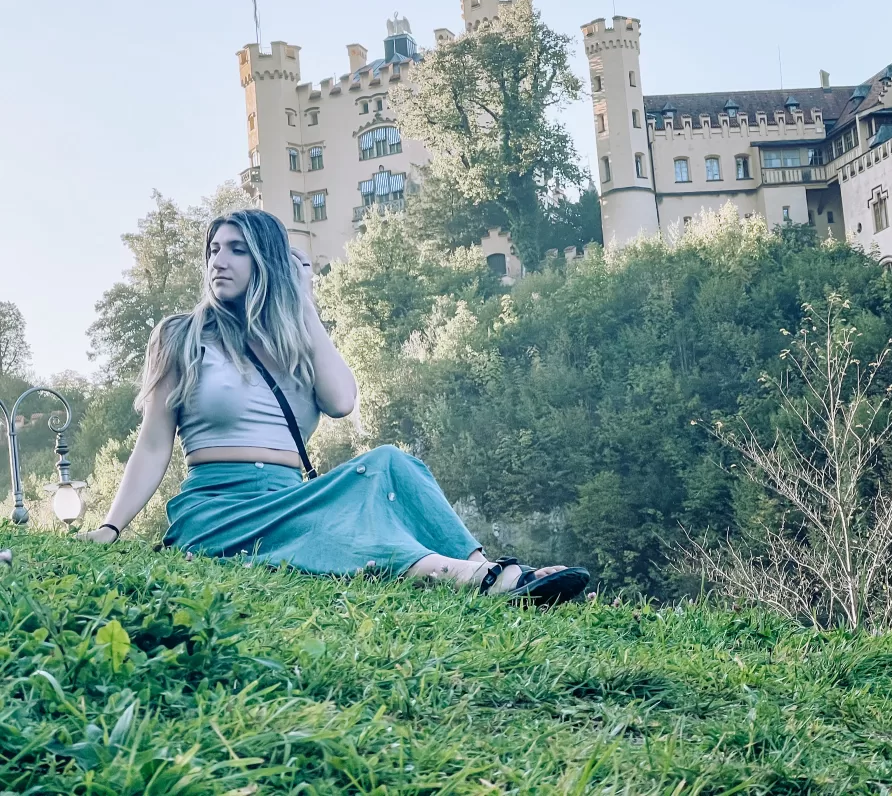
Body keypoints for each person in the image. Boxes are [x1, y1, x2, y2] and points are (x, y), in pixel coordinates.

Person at [79, 209, 589, 604]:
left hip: (291, 496)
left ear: (268, 262)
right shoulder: (181, 336)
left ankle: (487, 569)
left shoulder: (299, 339)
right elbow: (152, 444)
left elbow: (343, 401)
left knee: (391, 460)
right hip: (218, 509)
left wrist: (306, 307)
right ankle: (479, 579)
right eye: (213, 249)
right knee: (346, 533)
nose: (218, 260)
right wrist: (111, 526)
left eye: (236, 249)